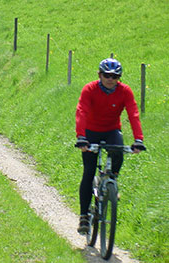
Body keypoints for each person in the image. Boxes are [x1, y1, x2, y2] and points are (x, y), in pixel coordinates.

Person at [75, 58, 146, 234]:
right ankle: (84, 215)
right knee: (89, 171)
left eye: (115, 76)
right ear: (100, 75)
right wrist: (81, 137)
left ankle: (112, 182)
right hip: (91, 132)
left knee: (118, 152)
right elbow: (81, 111)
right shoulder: (89, 89)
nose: (110, 79)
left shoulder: (125, 92)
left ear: (119, 78)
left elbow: (133, 114)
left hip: (112, 131)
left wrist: (138, 140)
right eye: (106, 75)